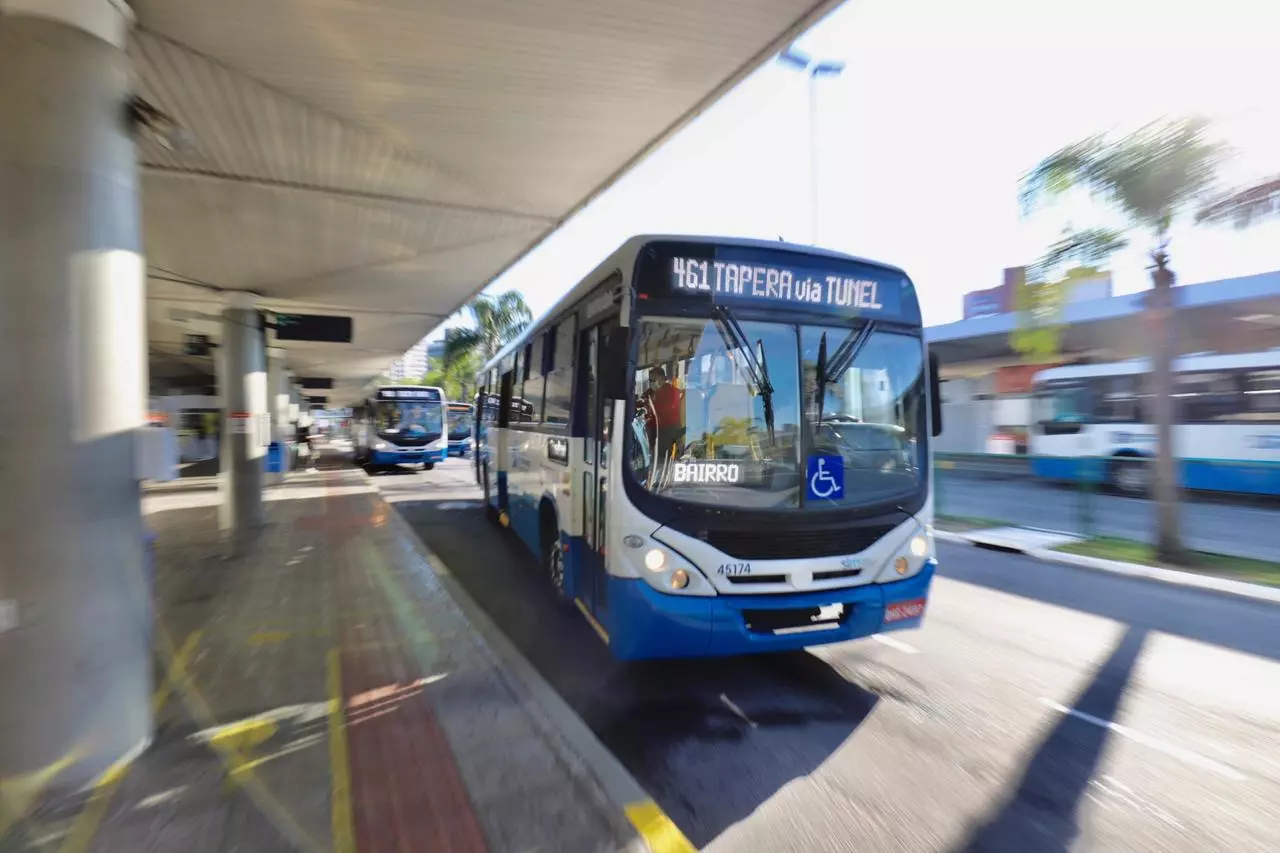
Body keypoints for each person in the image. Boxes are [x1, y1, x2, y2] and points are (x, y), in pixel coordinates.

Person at [642, 366, 684, 460]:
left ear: (661, 379)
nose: (651, 382)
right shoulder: (650, 393)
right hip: (660, 430)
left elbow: (675, 415)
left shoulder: (668, 393)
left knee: (661, 460)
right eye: (650, 380)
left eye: (653, 379)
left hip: (665, 430)